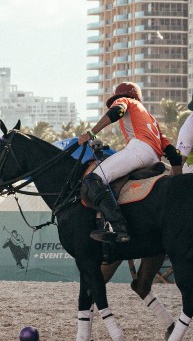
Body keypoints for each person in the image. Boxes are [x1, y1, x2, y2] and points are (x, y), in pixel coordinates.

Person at [77, 82, 184, 243]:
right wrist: (177, 184)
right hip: (154, 158)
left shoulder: (127, 101)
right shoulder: (151, 119)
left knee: (93, 180)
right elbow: (174, 155)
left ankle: (118, 227)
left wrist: (90, 133)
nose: (117, 101)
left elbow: (117, 111)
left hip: (138, 150)